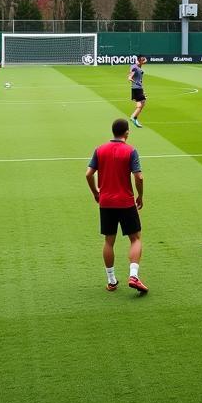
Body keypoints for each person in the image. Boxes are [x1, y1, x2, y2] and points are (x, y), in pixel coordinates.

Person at [86, 117, 148, 294]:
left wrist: (96, 193)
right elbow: (139, 177)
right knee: (135, 238)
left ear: (113, 132)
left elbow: (88, 174)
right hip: (125, 201)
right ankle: (133, 275)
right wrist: (140, 196)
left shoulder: (100, 150)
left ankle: (111, 281)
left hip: (106, 202)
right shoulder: (130, 151)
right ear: (127, 132)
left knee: (109, 241)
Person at [129, 56, 147, 128]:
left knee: (142, 103)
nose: (145, 61)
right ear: (140, 61)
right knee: (141, 104)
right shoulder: (135, 67)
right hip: (137, 88)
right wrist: (136, 83)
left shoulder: (138, 67)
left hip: (138, 88)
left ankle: (135, 118)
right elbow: (129, 77)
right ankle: (133, 117)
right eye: (143, 60)